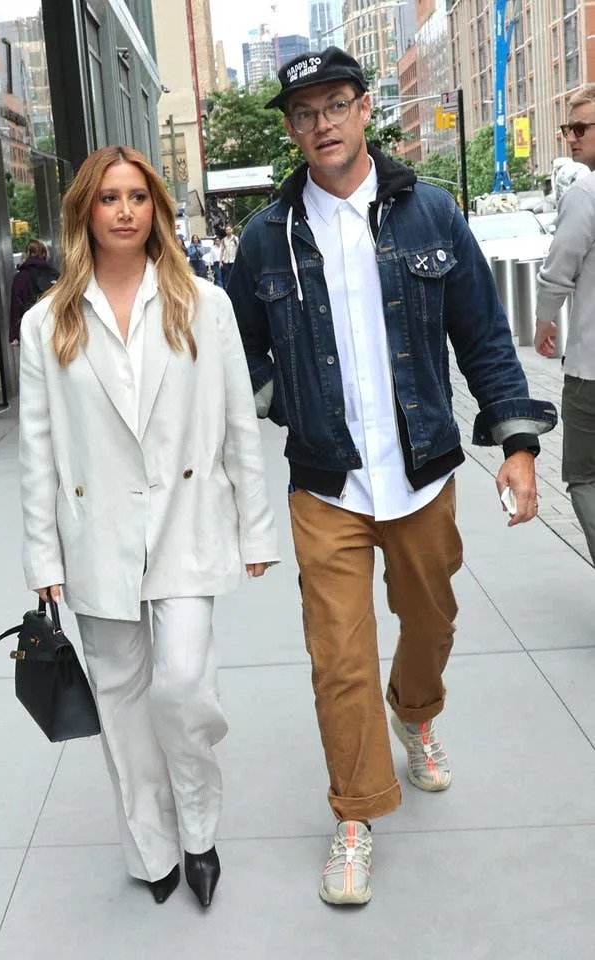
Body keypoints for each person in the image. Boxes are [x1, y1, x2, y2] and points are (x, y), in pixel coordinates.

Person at [227, 47, 557, 906]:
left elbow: (484, 335)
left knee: (430, 616)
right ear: (293, 129)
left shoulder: (430, 215)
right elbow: (239, 349)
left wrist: (517, 444)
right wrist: (285, 404)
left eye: (335, 104)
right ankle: (354, 814)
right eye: (304, 114)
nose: (321, 124)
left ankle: (416, 710)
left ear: (365, 108)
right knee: (337, 657)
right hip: (325, 482)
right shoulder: (270, 235)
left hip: (419, 473)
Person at [19, 145, 278, 908]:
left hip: (188, 522)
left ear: (157, 209)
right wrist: (42, 550)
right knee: (123, 702)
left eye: (138, 196)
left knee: (184, 684)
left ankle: (199, 827)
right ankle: (154, 848)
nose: (125, 210)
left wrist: (256, 531)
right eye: (109, 198)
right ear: (86, 214)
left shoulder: (206, 303)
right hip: (94, 532)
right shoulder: (48, 322)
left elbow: (240, 424)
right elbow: (35, 448)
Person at [535, 84, 595, 564]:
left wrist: (543, 321)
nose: (571, 139)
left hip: (591, 372)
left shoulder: (585, 192)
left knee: (582, 475)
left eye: (581, 128)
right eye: (566, 129)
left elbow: (558, 270)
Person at [9, 239, 59, 345]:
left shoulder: (20, 277)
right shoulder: (55, 274)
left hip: (31, 331)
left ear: (26, 254)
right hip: (56, 330)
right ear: (45, 254)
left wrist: (14, 335)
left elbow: (16, 306)